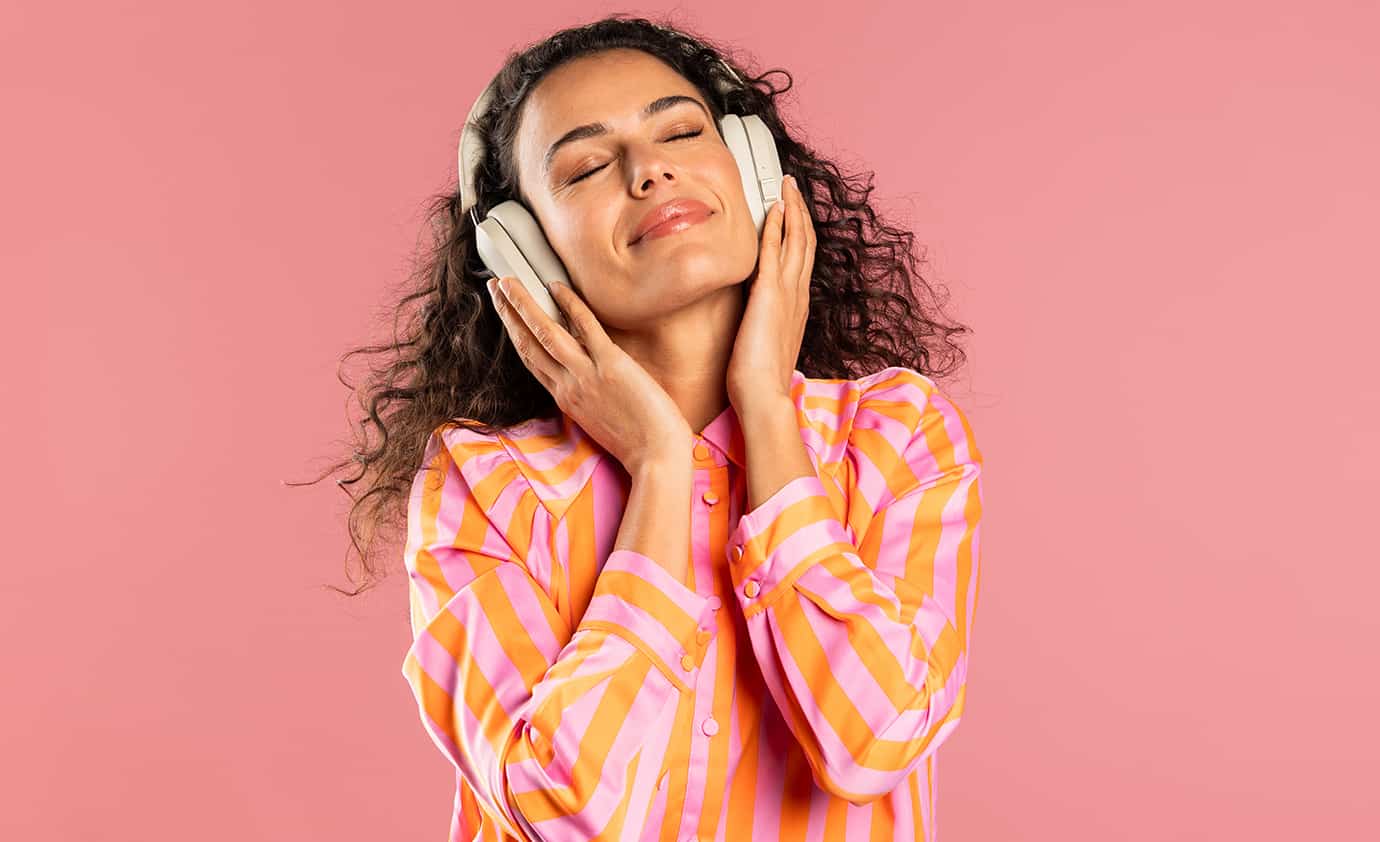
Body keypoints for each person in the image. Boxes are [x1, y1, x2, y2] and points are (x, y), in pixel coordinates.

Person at [318, 14, 982, 841]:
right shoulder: (487, 484)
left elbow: (877, 740)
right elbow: (559, 809)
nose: (650, 170)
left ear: (753, 168)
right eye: (588, 164)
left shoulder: (897, 434)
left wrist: (766, 413)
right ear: (527, 253)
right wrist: (663, 466)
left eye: (680, 130)